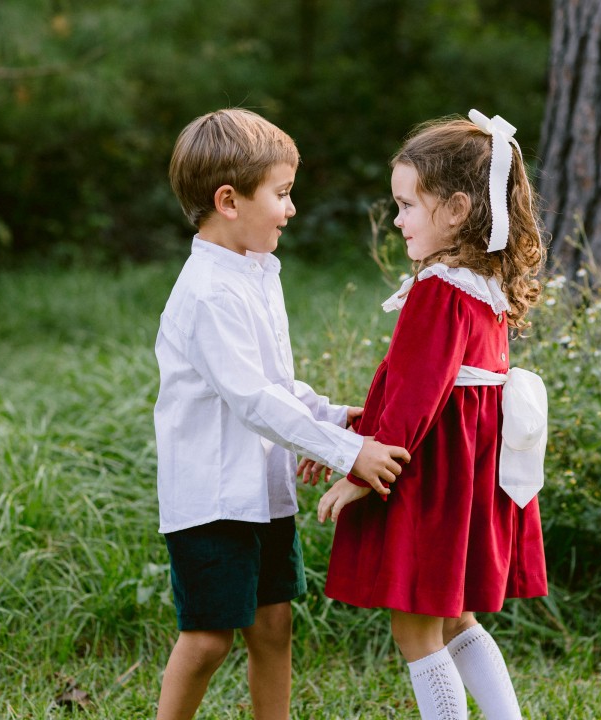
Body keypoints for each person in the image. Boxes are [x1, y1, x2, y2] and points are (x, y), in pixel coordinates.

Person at [153, 107, 410, 720]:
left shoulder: (257, 272)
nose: (291, 208)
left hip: (262, 493)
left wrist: (334, 416)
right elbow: (252, 400)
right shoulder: (208, 292)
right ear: (229, 200)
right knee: (210, 636)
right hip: (213, 499)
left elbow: (277, 383)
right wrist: (344, 452)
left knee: (273, 625)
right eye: (283, 193)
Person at [317, 110, 549, 720]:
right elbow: (436, 390)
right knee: (457, 621)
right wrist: (356, 423)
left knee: (417, 634)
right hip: (468, 483)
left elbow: (418, 397)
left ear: (456, 208)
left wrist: (361, 468)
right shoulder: (484, 289)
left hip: (432, 482)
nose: (396, 220)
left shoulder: (441, 290)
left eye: (405, 205)